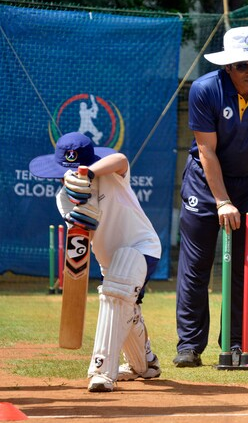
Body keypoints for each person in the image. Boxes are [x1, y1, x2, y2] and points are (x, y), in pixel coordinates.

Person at [174, 26, 248, 367]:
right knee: (196, 266)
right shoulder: (204, 90)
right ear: (228, 67)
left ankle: (236, 344)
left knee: (243, 265)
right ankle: (190, 346)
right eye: (242, 65)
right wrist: (222, 201)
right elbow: (205, 150)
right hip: (204, 183)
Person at [29, 132, 162, 392]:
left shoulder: (112, 175)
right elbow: (83, 237)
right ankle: (144, 364)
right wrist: (84, 217)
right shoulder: (63, 198)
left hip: (142, 247)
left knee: (115, 292)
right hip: (109, 263)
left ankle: (102, 371)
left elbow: (120, 159)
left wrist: (87, 174)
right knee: (123, 302)